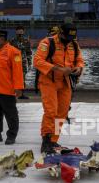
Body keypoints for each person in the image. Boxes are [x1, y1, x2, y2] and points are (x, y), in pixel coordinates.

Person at [34, 23, 84, 153]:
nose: (69, 40)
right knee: (51, 111)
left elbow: (79, 60)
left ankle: (53, 140)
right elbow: (37, 61)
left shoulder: (74, 44)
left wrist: (78, 68)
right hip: (48, 81)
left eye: (71, 37)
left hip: (65, 82)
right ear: (60, 33)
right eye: (67, 37)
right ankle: (46, 141)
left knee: (62, 113)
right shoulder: (47, 43)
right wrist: (58, 69)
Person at [10, 26, 33, 100]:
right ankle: (12, 94)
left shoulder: (26, 41)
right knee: (12, 78)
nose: (20, 32)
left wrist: (30, 64)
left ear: (23, 32)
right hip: (13, 63)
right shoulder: (12, 41)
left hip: (23, 63)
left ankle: (21, 94)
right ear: (16, 32)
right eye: (18, 31)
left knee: (22, 78)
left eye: (21, 31)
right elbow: (8, 52)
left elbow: (29, 53)